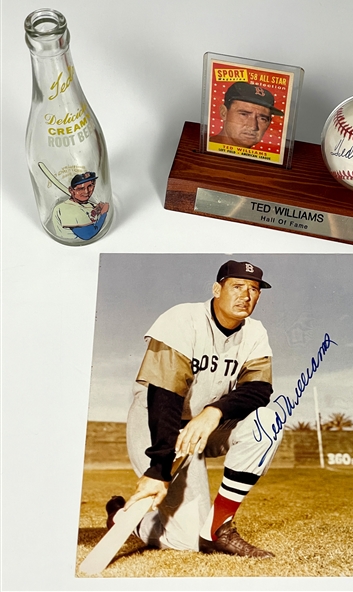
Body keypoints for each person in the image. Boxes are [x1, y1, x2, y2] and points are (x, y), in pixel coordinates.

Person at [107, 260, 283, 558]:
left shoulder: (255, 332)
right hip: (158, 420)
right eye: (237, 286)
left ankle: (218, 527)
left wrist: (214, 411)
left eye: (254, 289)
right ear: (217, 289)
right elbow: (164, 394)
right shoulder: (182, 318)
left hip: (206, 424)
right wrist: (159, 468)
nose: (246, 295)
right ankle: (121, 517)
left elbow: (259, 389)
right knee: (186, 541)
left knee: (269, 422)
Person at [209, 82, 284, 148]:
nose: (253, 126)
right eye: (244, 114)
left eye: (262, 119)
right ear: (224, 113)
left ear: (270, 122)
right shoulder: (207, 147)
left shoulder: (264, 160)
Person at [51, 172, 109, 241]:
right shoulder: (66, 209)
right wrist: (103, 214)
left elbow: (89, 215)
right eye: (81, 188)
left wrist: (97, 210)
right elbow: (88, 234)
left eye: (90, 186)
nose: (86, 191)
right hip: (75, 246)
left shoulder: (85, 203)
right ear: (71, 190)